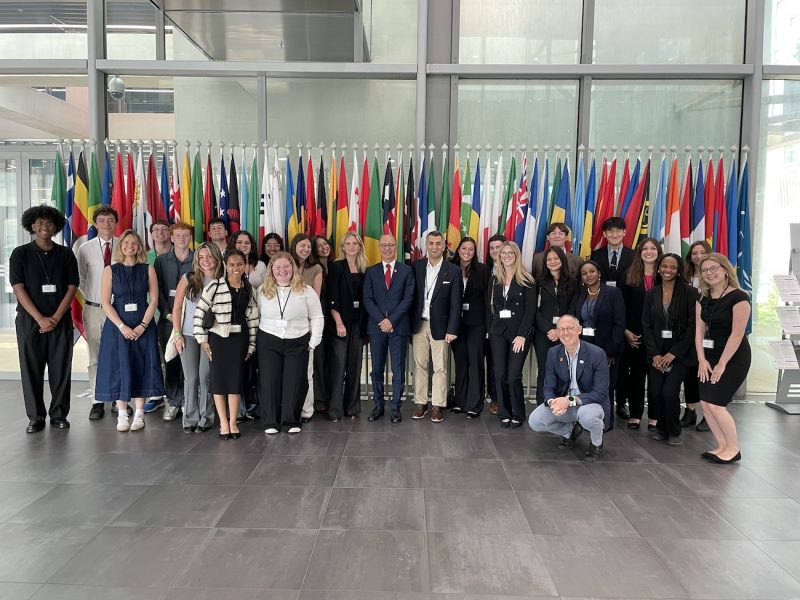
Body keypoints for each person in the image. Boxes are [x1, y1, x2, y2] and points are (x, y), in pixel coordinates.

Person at [10, 205, 79, 433]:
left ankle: (59, 414)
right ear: (32, 225)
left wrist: (56, 317)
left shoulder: (66, 254)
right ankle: (36, 417)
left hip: (60, 321)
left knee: (61, 369)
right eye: (39, 222)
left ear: (56, 226)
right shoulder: (20, 254)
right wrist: (40, 318)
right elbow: (18, 287)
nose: (44, 226)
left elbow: (72, 287)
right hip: (30, 321)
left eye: (49, 223)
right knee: (31, 369)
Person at [95, 229, 164, 432]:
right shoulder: (110, 270)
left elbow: (154, 300)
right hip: (118, 327)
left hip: (143, 325)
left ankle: (140, 415)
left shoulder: (147, 269)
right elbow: (106, 303)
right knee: (118, 367)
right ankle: (123, 415)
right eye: (126, 243)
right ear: (120, 246)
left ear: (139, 247)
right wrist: (122, 326)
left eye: (134, 243)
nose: (130, 246)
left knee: (142, 366)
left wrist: (143, 325)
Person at [193, 249, 260, 440]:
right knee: (220, 381)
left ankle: (233, 422)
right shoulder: (214, 286)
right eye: (232, 264)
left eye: (240, 264)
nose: (236, 268)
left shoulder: (249, 289)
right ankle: (223, 423)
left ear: (245, 265)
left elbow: (253, 319)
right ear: (225, 265)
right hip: (219, 340)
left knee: (235, 381)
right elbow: (199, 313)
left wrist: (252, 345)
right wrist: (202, 340)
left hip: (240, 341)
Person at [257, 252, 324, 434]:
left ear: (293, 268)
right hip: (269, 339)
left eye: (286, 267)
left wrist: (314, 340)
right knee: (269, 381)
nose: (282, 271)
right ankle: (270, 421)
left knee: (295, 381)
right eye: (277, 267)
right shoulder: (263, 290)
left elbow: (317, 316)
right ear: (271, 270)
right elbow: (257, 315)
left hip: (298, 340)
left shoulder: (306, 290)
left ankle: (291, 420)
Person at [528, 315, 611, 461]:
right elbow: (548, 386)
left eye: (570, 328)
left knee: (588, 417)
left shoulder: (597, 354)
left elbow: (600, 393)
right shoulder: (553, 353)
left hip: (588, 403)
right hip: (564, 405)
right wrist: (552, 402)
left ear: (579, 330)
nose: (566, 333)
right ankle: (569, 431)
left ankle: (596, 443)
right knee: (535, 421)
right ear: (557, 333)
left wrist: (570, 400)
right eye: (561, 329)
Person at [696, 253, 751, 464]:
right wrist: (701, 359)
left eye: (713, 268)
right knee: (706, 403)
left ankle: (734, 449)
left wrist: (721, 364)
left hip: (733, 357)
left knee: (717, 404)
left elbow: (737, 335)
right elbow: (699, 332)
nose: (709, 273)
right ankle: (722, 445)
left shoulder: (739, 297)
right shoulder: (703, 298)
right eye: (704, 270)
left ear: (725, 270)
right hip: (709, 355)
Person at [642, 253, 698, 446]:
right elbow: (646, 325)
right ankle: (661, 429)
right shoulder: (652, 293)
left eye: (673, 267)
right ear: (659, 268)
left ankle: (674, 431)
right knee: (656, 392)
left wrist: (673, 353)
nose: (668, 270)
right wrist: (656, 354)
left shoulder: (690, 293)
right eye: (664, 266)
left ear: (679, 270)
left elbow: (693, 328)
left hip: (680, 353)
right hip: (656, 352)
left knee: (669, 392)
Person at [171, 242, 224, 433]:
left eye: (209, 256)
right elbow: (176, 308)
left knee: (206, 377)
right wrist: (177, 334)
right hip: (188, 334)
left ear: (217, 257)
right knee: (191, 378)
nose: (205, 261)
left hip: (213, 336)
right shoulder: (188, 279)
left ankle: (206, 418)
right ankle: (190, 419)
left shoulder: (223, 279)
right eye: (201, 257)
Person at [410, 231, 462, 423]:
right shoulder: (416, 266)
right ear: (426, 245)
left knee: (440, 368)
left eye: (438, 243)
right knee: (420, 365)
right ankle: (420, 403)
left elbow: (456, 304)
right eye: (431, 243)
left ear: (443, 246)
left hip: (441, 326)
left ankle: (438, 405)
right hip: (419, 324)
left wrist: (452, 329)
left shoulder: (453, 270)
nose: (434, 247)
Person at [363, 234, 414, 422]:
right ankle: (378, 405)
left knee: (398, 370)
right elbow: (367, 299)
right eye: (383, 245)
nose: (387, 249)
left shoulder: (406, 271)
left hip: (398, 327)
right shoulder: (371, 271)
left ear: (396, 247)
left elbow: (408, 299)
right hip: (377, 328)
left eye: (391, 245)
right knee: (376, 368)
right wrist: (382, 321)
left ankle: (395, 408)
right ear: (379, 247)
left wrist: (391, 320)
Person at [76, 206, 119, 421]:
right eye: (101, 220)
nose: (106, 224)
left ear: (115, 222)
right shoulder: (85, 249)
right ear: (94, 224)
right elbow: (81, 279)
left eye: (110, 219)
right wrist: (96, 297)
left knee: (119, 354)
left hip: (119, 310)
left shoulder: (125, 245)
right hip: (93, 309)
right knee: (95, 356)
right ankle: (97, 400)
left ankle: (120, 400)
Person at [570, 260, 625, 427]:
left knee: (605, 387)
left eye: (592, 271)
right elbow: (574, 319)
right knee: (585, 385)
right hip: (583, 347)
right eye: (584, 273)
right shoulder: (579, 294)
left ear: (599, 273)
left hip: (606, 349)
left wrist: (609, 352)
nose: (589, 275)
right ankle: (586, 421)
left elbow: (619, 323)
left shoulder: (613, 293)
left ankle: (605, 423)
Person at [488, 241, 536, 428]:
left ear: (516, 255)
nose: (506, 256)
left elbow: (530, 311)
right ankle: (504, 412)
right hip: (498, 331)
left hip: (519, 333)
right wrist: (489, 329)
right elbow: (490, 308)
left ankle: (518, 413)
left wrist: (523, 335)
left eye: (510, 253)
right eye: (503, 253)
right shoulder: (495, 279)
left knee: (514, 374)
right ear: (499, 256)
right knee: (500, 373)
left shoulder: (527, 279)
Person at [617, 237, 663, 429]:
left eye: (653, 248)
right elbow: (620, 307)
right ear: (639, 252)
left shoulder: (666, 275)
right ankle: (635, 414)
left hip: (660, 337)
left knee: (656, 378)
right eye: (645, 248)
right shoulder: (629, 274)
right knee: (636, 376)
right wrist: (626, 331)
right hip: (634, 336)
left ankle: (654, 416)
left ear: (658, 252)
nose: (649, 251)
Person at [152, 222, 194, 420]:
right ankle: (173, 402)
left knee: (190, 362)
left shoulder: (198, 260)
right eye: (178, 235)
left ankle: (188, 400)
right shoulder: (161, 261)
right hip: (168, 319)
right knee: (171, 361)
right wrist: (167, 313)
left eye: (186, 235)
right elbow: (156, 292)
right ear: (171, 237)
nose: (182, 238)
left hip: (192, 321)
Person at [326, 232, 367, 422]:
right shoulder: (336, 267)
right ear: (342, 247)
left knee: (354, 366)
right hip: (340, 324)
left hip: (359, 324)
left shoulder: (364, 268)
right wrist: (339, 322)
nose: (351, 246)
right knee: (338, 366)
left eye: (355, 243)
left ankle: (352, 407)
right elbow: (332, 298)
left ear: (360, 246)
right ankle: (334, 410)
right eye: (347, 243)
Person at [228, 230, 267, 421]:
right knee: (236, 368)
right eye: (240, 242)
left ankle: (253, 406)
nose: (244, 245)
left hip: (258, 322)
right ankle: (239, 409)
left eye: (247, 243)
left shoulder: (260, 266)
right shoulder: (229, 265)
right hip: (234, 323)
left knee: (253, 367)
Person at [532, 245, 578, 406]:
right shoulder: (538, 282)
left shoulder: (573, 281)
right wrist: (549, 330)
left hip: (566, 333)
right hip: (543, 333)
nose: (552, 262)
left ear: (562, 260)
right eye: (549, 259)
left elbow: (573, 308)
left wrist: (561, 331)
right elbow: (534, 310)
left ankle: (562, 405)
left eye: (556, 258)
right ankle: (542, 404)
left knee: (564, 369)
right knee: (545, 369)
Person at [451, 236, 490, 417]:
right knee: (461, 363)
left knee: (475, 363)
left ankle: (474, 404)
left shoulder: (482, 270)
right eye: (464, 248)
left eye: (471, 249)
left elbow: (487, 301)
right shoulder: (450, 268)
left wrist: (488, 327)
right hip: (455, 324)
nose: (467, 252)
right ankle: (460, 401)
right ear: (458, 250)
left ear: (475, 252)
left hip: (477, 324)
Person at [290, 233, 324, 422]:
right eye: (302, 246)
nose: (305, 249)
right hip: (286, 326)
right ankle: (289, 407)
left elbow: (316, 301)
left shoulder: (316, 269)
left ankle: (306, 410)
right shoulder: (286, 264)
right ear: (294, 246)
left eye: (308, 247)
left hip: (307, 325)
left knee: (307, 371)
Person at [682, 240, 713, 431]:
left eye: (702, 252)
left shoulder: (713, 274)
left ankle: (709, 415)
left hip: (709, 330)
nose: (698, 256)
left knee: (708, 373)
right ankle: (690, 411)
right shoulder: (685, 275)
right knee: (690, 372)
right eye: (694, 253)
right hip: (688, 329)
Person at [311, 234, 333, 414]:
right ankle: (319, 400)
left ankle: (332, 397)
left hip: (336, 320)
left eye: (325, 243)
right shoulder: (312, 268)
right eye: (318, 245)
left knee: (332, 361)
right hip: (318, 319)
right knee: (319, 360)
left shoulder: (337, 265)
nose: (323, 247)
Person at [485, 234, 506, 415]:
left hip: (505, 326)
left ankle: (503, 398)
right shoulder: (486, 270)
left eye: (498, 247)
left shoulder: (512, 271)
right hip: (487, 325)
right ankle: (495, 398)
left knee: (502, 365)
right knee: (492, 364)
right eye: (492, 248)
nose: (495, 251)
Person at [589, 216, 635, 284]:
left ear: (624, 232)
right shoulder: (595, 255)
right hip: (603, 294)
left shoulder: (634, 255)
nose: (614, 235)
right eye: (610, 231)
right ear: (604, 234)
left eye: (618, 231)